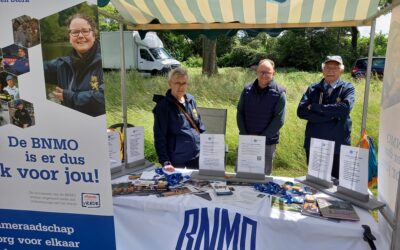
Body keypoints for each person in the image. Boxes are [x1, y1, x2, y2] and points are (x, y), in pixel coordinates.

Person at [297, 55, 355, 181]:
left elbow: (344, 108)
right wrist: (331, 116)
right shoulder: (313, 89)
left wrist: (316, 107)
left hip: (338, 145)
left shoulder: (347, 88)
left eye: (335, 67)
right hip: (314, 144)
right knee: (315, 182)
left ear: (341, 70)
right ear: (323, 70)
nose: (330, 71)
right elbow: (301, 111)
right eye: (328, 67)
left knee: (336, 185)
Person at [44, 13, 105, 117]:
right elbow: (35, 70)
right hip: (70, 125)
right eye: (75, 32)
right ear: (69, 38)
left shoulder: (107, 62)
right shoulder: (62, 65)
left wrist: (70, 97)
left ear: (94, 35)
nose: (80, 36)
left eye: (85, 31)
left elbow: (102, 98)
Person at [237, 59, 286, 175]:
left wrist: (260, 139)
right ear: (257, 72)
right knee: (241, 176)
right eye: (261, 72)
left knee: (262, 179)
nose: (264, 75)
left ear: (273, 73)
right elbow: (240, 112)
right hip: (246, 140)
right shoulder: (247, 90)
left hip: (267, 143)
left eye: (267, 72)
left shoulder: (279, 93)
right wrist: (245, 134)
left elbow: (279, 120)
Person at [153, 67, 205, 171]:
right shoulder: (163, 106)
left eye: (184, 83)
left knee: (198, 184)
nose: (181, 86)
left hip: (196, 154)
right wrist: (165, 161)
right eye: (177, 83)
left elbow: (199, 125)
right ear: (170, 83)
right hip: (176, 159)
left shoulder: (190, 99)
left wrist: (208, 144)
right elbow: (159, 136)